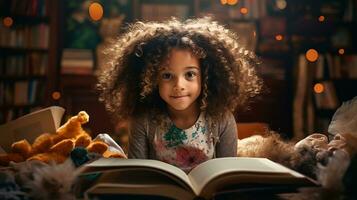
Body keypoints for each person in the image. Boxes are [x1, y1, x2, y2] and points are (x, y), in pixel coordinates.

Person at [97, 17, 262, 172]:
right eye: (167, 75)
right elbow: (139, 176)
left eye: (190, 74)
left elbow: (227, 176)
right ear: (151, 78)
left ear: (207, 76)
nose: (178, 86)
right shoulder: (143, 120)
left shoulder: (222, 120)